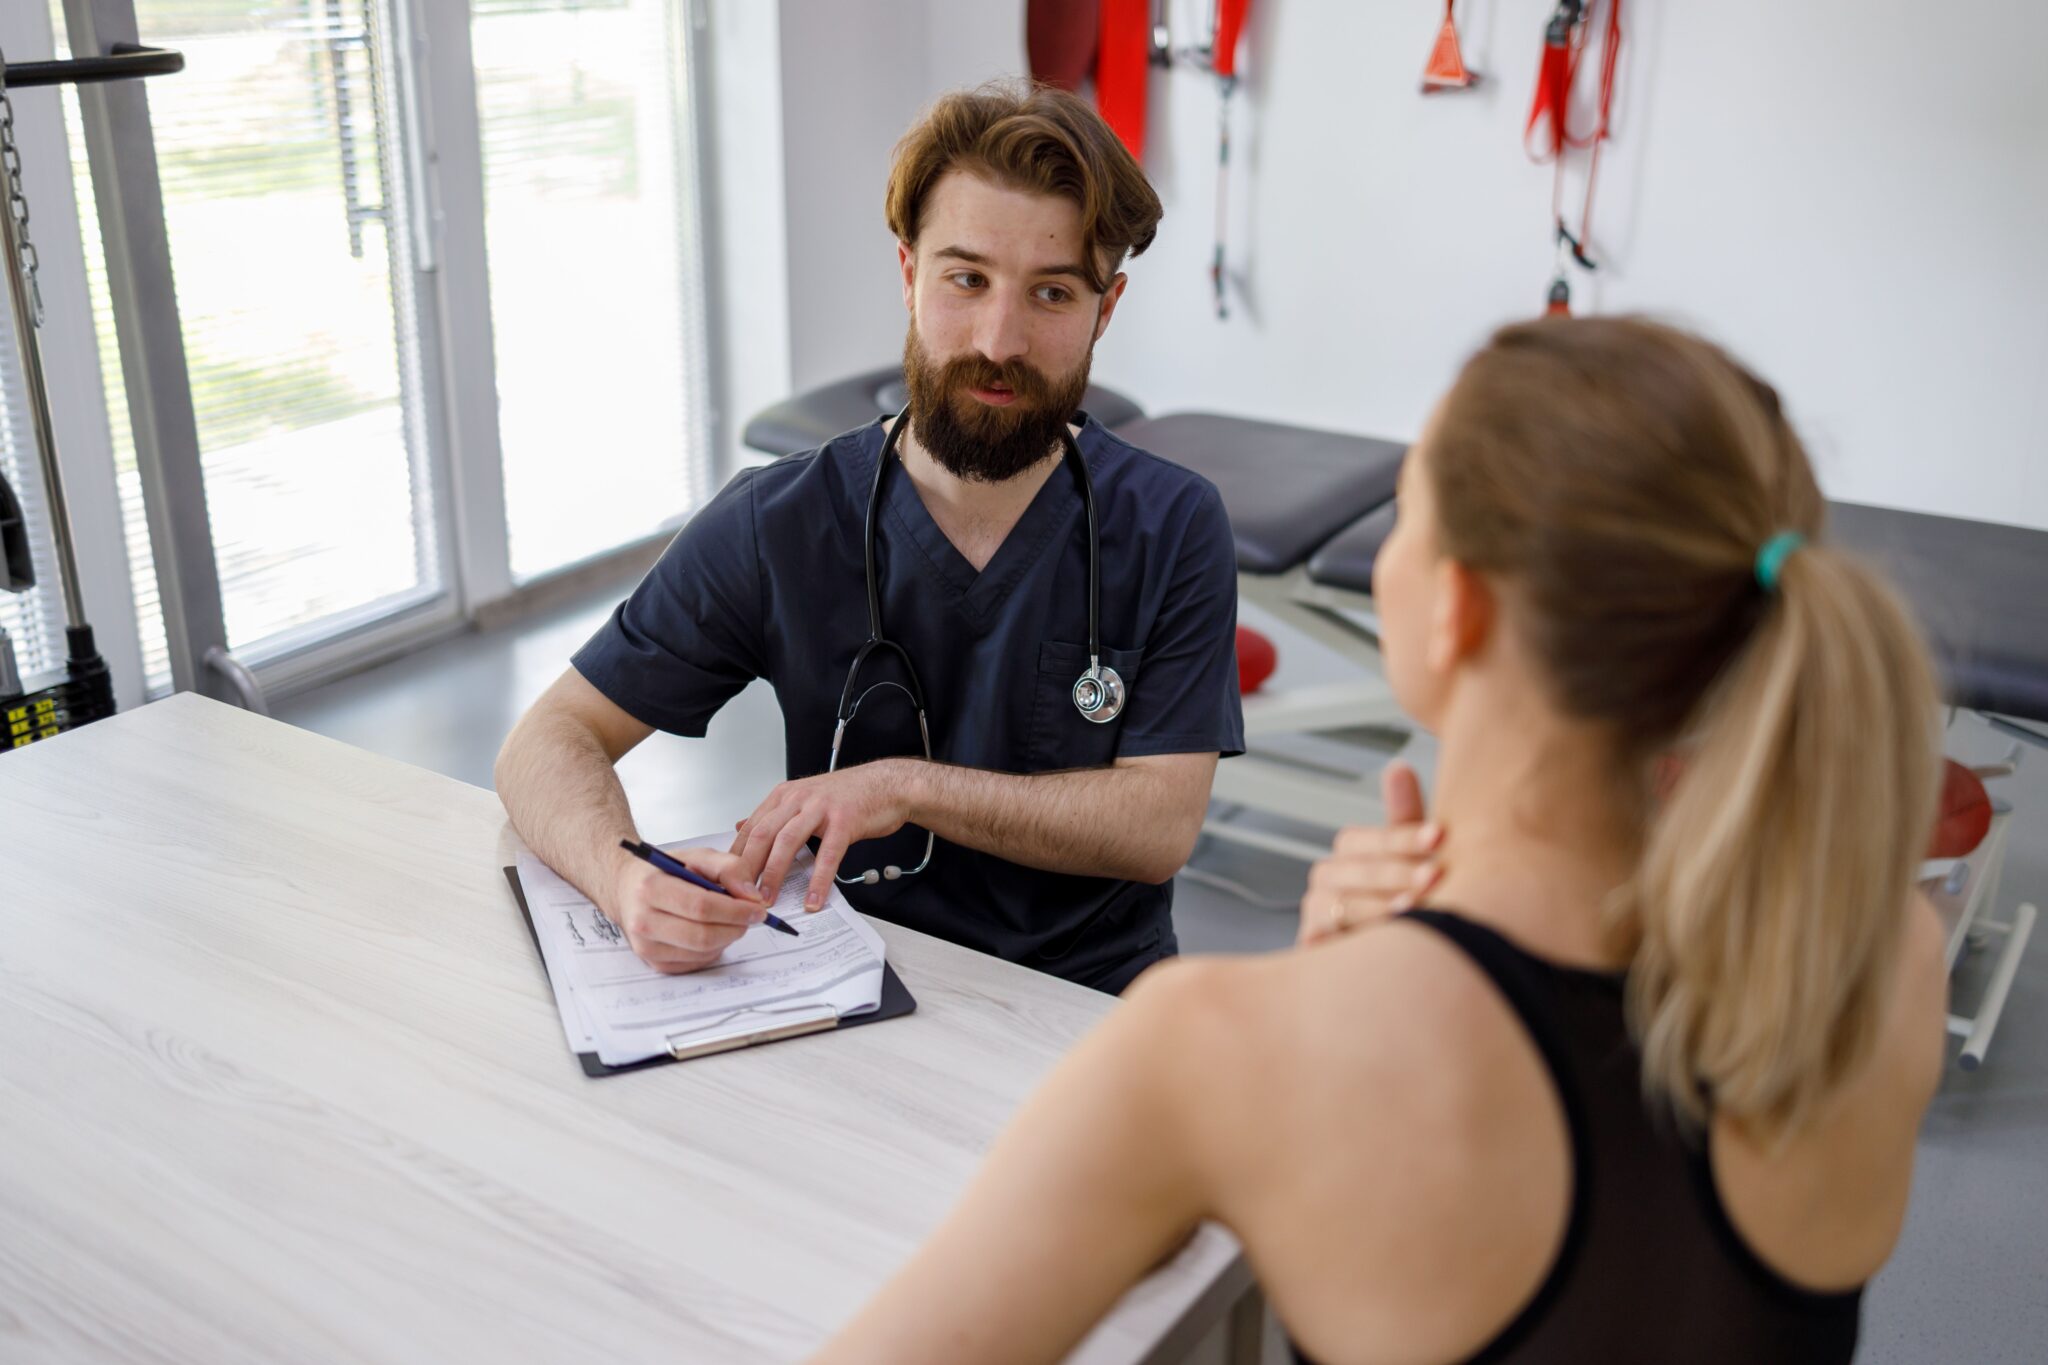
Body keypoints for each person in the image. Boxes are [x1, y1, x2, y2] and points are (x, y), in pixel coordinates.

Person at [813, 316, 1950, 1363]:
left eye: (1409, 504)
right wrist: (1365, 982)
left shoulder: (1226, 1055)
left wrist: (1340, 1007)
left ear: (1455, 609)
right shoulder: (1882, 955)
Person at [495, 82, 1242, 995]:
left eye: (1051, 293)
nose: (999, 340)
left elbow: (1159, 825)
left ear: (1105, 309)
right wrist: (622, 877)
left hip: (1090, 1000)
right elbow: (549, 738)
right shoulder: (782, 523)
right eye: (965, 279)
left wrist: (904, 786)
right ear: (908, 273)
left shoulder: (1171, 523)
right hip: (851, 980)